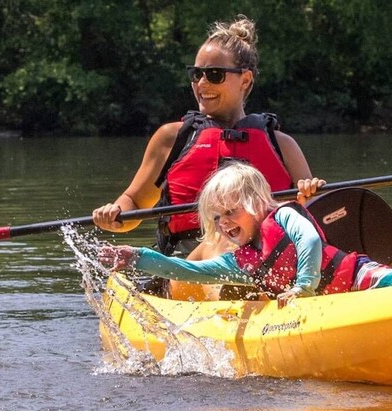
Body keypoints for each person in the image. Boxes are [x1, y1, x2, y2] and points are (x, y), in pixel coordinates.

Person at [92, 14, 323, 261]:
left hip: (268, 259)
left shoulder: (282, 145)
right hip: (190, 263)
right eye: (196, 74)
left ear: (245, 79)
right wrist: (116, 215)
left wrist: (310, 195)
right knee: (223, 242)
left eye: (214, 74)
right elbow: (135, 203)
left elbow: (315, 217)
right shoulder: (171, 138)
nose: (202, 84)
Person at [99, 162, 392, 308]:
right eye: (217, 217)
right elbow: (189, 270)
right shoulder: (241, 262)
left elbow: (309, 240)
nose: (224, 223)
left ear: (256, 203)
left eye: (231, 211)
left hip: (357, 278)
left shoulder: (283, 215)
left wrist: (302, 287)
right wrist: (138, 257)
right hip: (323, 307)